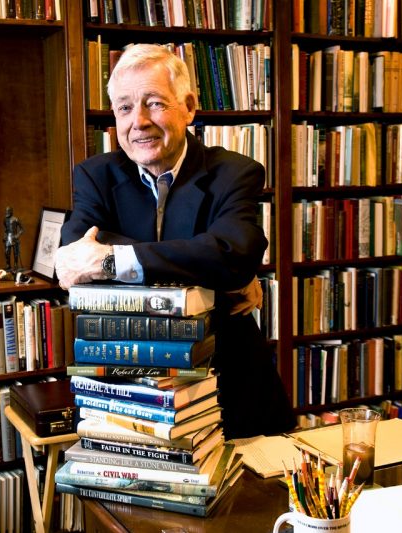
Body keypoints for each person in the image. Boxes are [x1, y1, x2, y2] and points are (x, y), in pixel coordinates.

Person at [54, 44, 294, 438]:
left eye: (154, 103)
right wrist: (205, 270)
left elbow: (235, 253)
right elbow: (74, 261)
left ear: (189, 106)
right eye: (125, 108)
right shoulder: (95, 175)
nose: (139, 122)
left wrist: (111, 258)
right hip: (130, 384)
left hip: (228, 381)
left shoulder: (234, 173)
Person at [4, 206, 24, 271]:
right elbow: (5, 230)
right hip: (8, 237)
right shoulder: (5, 219)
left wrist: (17, 235)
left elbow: (22, 229)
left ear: (11, 211)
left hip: (14, 237)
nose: (7, 212)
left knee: (15, 252)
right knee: (7, 252)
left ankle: (16, 264)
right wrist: (5, 236)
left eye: (8, 211)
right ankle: (8, 265)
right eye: (6, 211)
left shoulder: (16, 219)